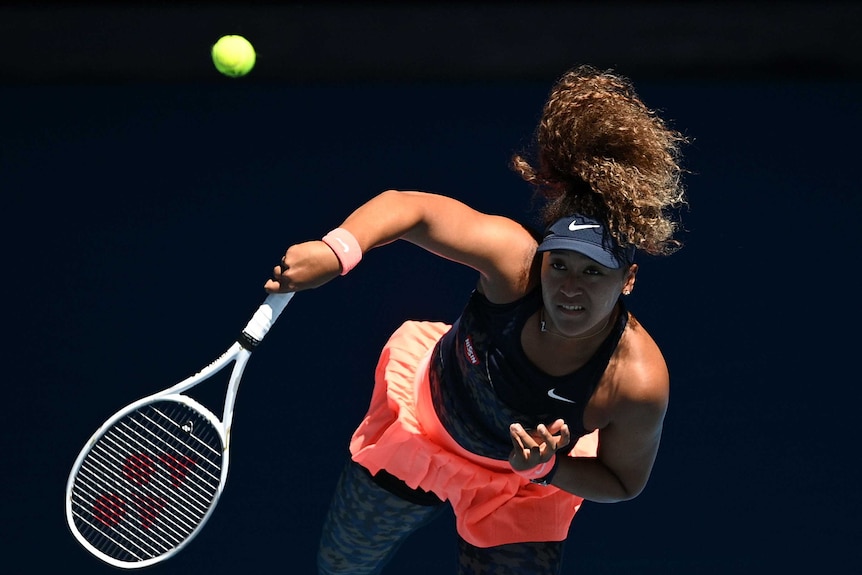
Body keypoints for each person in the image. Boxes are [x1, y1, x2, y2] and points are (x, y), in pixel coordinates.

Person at [264, 64, 687, 575]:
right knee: (340, 565)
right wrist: (337, 251)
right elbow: (411, 209)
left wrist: (549, 467)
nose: (570, 287)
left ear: (628, 280)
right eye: (561, 265)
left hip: (521, 488)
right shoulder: (515, 264)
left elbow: (622, 482)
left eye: (593, 272)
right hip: (421, 432)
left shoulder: (636, 380)